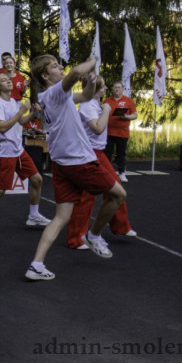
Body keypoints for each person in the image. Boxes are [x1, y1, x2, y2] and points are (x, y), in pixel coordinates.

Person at [23, 55, 127, 281]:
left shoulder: (53, 96)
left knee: (61, 217)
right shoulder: (54, 92)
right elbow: (75, 72)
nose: (60, 68)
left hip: (62, 164)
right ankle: (94, 235)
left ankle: (36, 265)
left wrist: (91, 80)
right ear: (44, 75)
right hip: (79, 161)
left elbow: (87, 95)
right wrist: (92, 60)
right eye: (54, 66)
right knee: (118, 194)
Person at [66, 74, 136, 249]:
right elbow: (97, 128)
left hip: (98, 152)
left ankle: (120, 226)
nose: (106, 89)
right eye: (103, 87)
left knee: (115, 187)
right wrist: (106, 111)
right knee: (87, 196)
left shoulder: (95, 103)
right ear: (95, 90)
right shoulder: (88, 105)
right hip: (88, 153)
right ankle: (76, 238)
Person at [0, 72, 50, 236]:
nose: (9, 81)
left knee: (37, 179)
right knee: (0, 191)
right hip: (5, 153)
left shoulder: (12, 101)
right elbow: (3, 127)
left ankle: (33, 216)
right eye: (4, 80)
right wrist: (21, 112)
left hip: (18, 150)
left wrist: (32, 113)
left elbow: (21, 122)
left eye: (8, 79)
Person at [103, 81, 138, 182]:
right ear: (112, 89)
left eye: (119, 87)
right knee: (107, 153)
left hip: (122, 132)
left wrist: (127, 117)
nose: (117, 89)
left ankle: (122, 173)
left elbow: (135, 115)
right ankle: (107, 173)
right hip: (108, 132)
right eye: (115, 87)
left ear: (123, 89)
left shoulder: (128, 101)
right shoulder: (107, 101)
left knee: (121, 154)